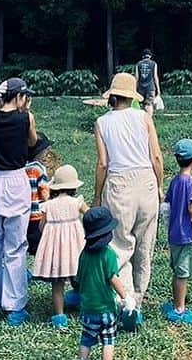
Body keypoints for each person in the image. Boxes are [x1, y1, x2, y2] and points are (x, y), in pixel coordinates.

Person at [93, 73, 164, 327]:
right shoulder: (144, 117)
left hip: (118, 183)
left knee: (120, 246)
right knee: (145, 247)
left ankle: (125, 303)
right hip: (146, 181)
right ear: (132, 97)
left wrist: (97, 195)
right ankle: (138, 302)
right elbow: (156, 156)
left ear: (111, 96)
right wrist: (159, 185)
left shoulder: (102, 123)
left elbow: (103, 164)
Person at [0, 77, 37, 327]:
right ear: (20, 96)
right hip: (16, 180)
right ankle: (14, 305)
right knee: (15, 245)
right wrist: (26, 111)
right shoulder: (25, 119)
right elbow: (33, 141)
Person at [161, 138, 192, 325]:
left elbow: (166, 205)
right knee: (183, 274)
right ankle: (179, 309)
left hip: (173, 235)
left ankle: (175, 303)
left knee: (177, 271)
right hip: (186, 237)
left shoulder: (175, 181)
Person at [34, 164, 89, 329]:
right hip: (76, 248)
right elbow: (91, 215)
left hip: (56, 251)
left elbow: (41, 227)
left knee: (57, 284)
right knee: (80, 278)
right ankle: (85, 308)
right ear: (74, 186)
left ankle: (59, 316)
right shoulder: (77, 202)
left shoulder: (48, 206)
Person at [77, 206, 136, 360]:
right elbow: (113, 279)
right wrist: (126, 298)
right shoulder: (108, 254)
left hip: (87, 309)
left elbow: (78, 278)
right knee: (108, 342)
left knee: (86, 340)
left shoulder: (84, 254)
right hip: (106, 310)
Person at [25, 133, 53, 256]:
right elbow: (45, 193)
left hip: (24, 215)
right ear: (40, 152)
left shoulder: (23, 168)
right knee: (40, 250)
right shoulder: (39, 169)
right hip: (37, 215)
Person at [135, 49, 161, 115]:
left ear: (143, 56)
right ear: (150, 56)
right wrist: (158, 89)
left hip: (141, 88)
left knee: (141, 105)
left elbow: (137, 78)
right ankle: (149, 120)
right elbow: (155, 77)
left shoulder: (138, 64)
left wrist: (135, 89)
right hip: (150, 88)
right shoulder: (153, 64)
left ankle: (141, 120)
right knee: (149, 104)